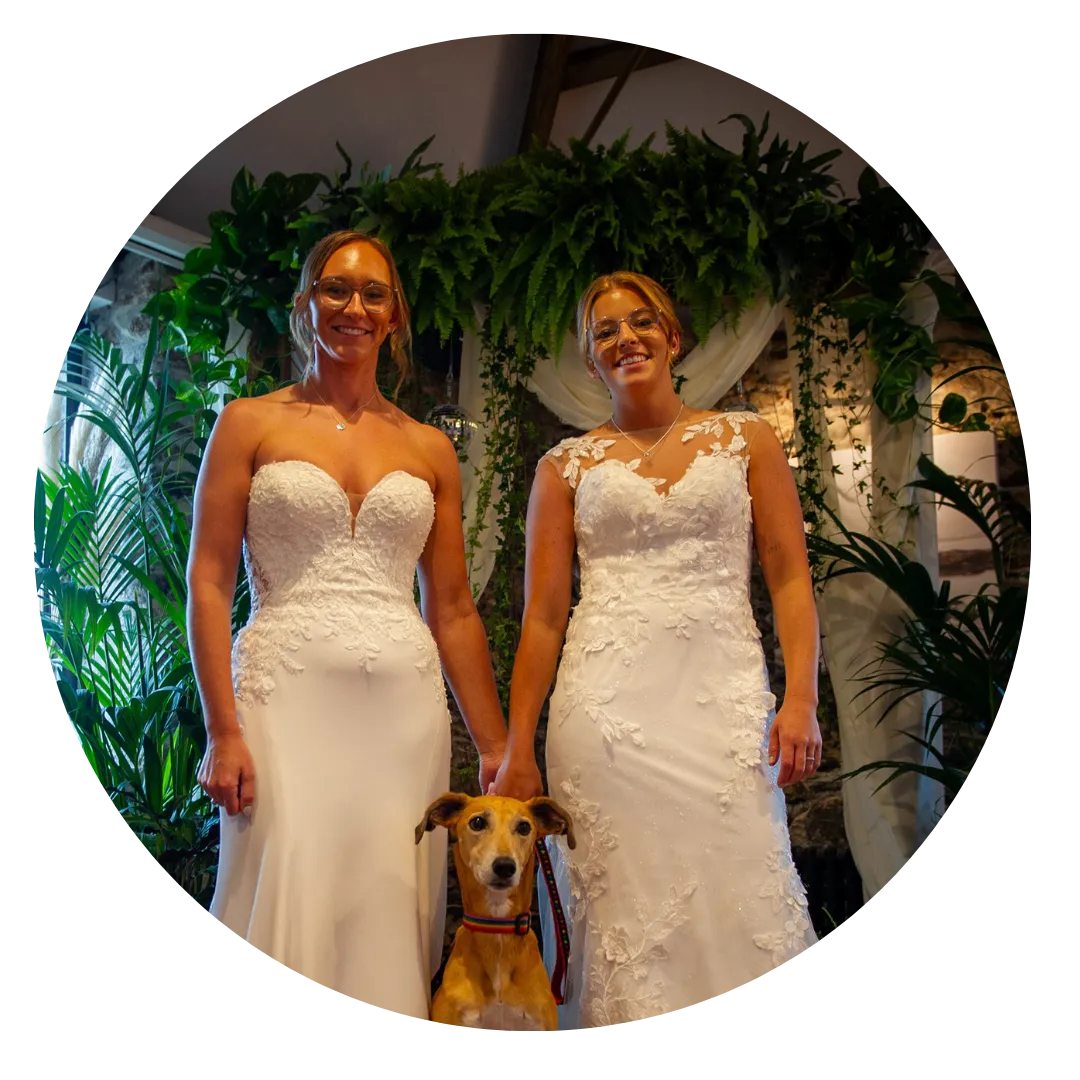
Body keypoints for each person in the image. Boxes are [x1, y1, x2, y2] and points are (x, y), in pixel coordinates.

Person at [186, 229, 507, 1019]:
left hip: (403, 717)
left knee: (385, 904)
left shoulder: (430, 448)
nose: (353, 307)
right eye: (335, 289)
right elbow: (208, 579)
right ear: (307, 305)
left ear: (394, 315)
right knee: (286, 885)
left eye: (372, 293)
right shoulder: (248, 424)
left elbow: (455, 607)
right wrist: (222, 730)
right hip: (282, 703)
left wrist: (498, 745)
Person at [494, 272, 821, 1028]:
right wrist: (518, 744)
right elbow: (542, 617)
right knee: (622, 923)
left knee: (743, 887)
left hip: (722, 711)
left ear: (674, 337)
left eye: (640, 323)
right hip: (604, 725)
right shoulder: (564, 468)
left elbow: (790, 576)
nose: (625, 339)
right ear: (589, 358)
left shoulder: (746, 439)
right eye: (605, 331)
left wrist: (799, 696)